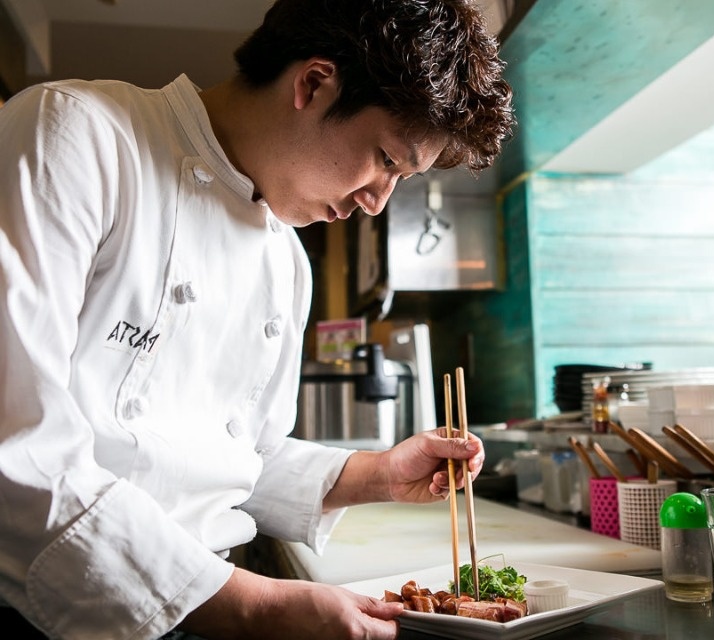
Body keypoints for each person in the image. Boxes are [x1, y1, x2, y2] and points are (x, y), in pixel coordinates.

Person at [0, 0, 514, 638]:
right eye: (386, 159)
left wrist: (376, 474)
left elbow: (234, 457)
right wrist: (252, 606)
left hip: (198, 603)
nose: (377, 202)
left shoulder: (286, 261)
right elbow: (17, 451)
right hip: (43, 611)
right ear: (314, 84)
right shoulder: (76, 135)